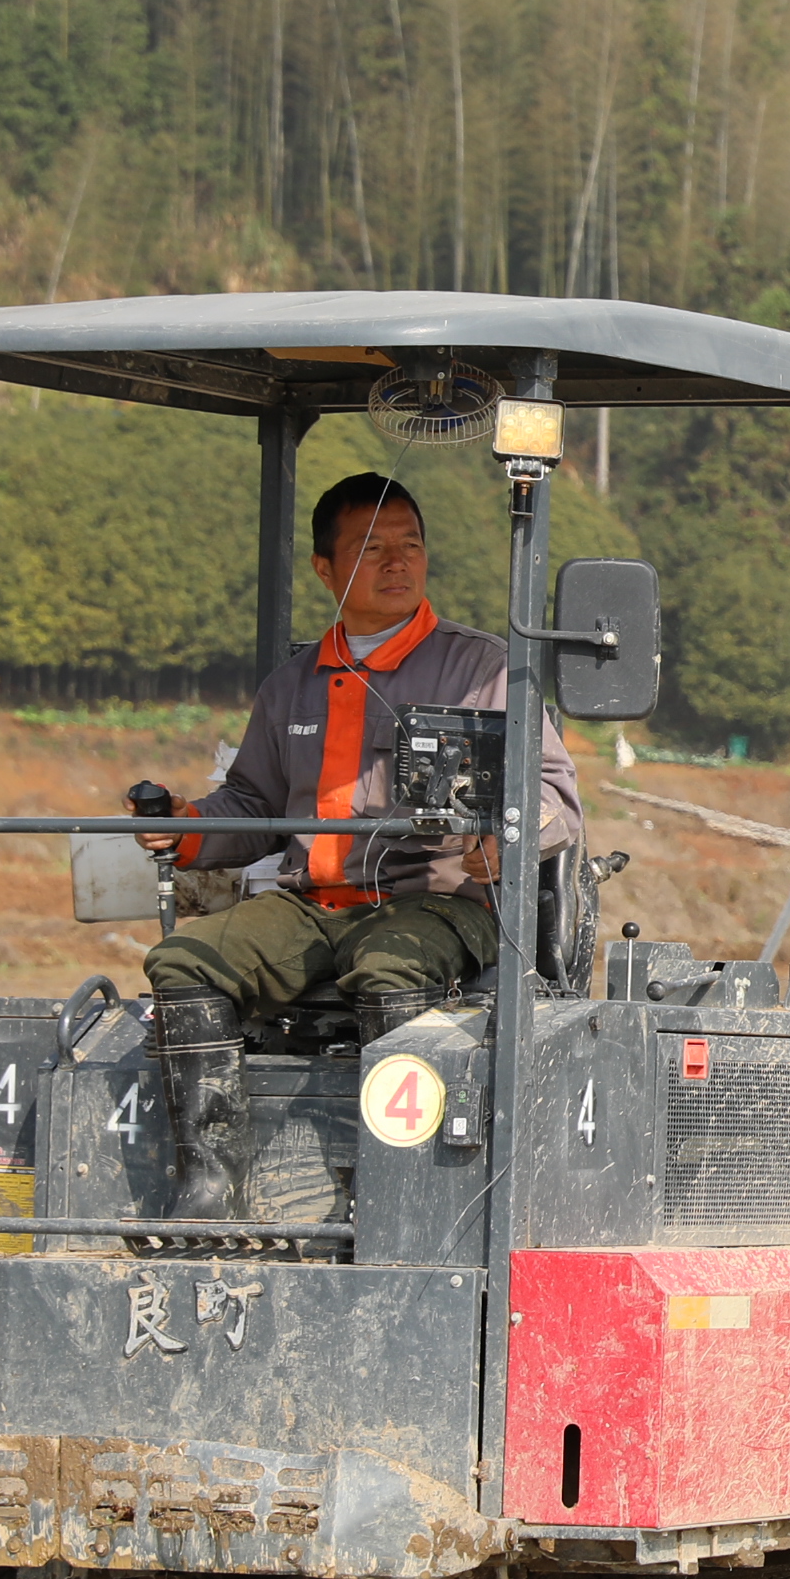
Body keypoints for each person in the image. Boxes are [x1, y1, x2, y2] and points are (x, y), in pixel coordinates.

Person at [131, 475, 581, 1219]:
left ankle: (394, 1194)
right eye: (373, 549)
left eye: (411, 546)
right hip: (311, 904)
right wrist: (186, 828)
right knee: (185, 958)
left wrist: (506, 838)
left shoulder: (486, 670)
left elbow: (554, 798)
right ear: (325, 570)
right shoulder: (290, 687)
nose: (399, 563)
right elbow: (252, 806)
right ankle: (211, 1189)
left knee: (389, 962)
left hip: (437, 902)